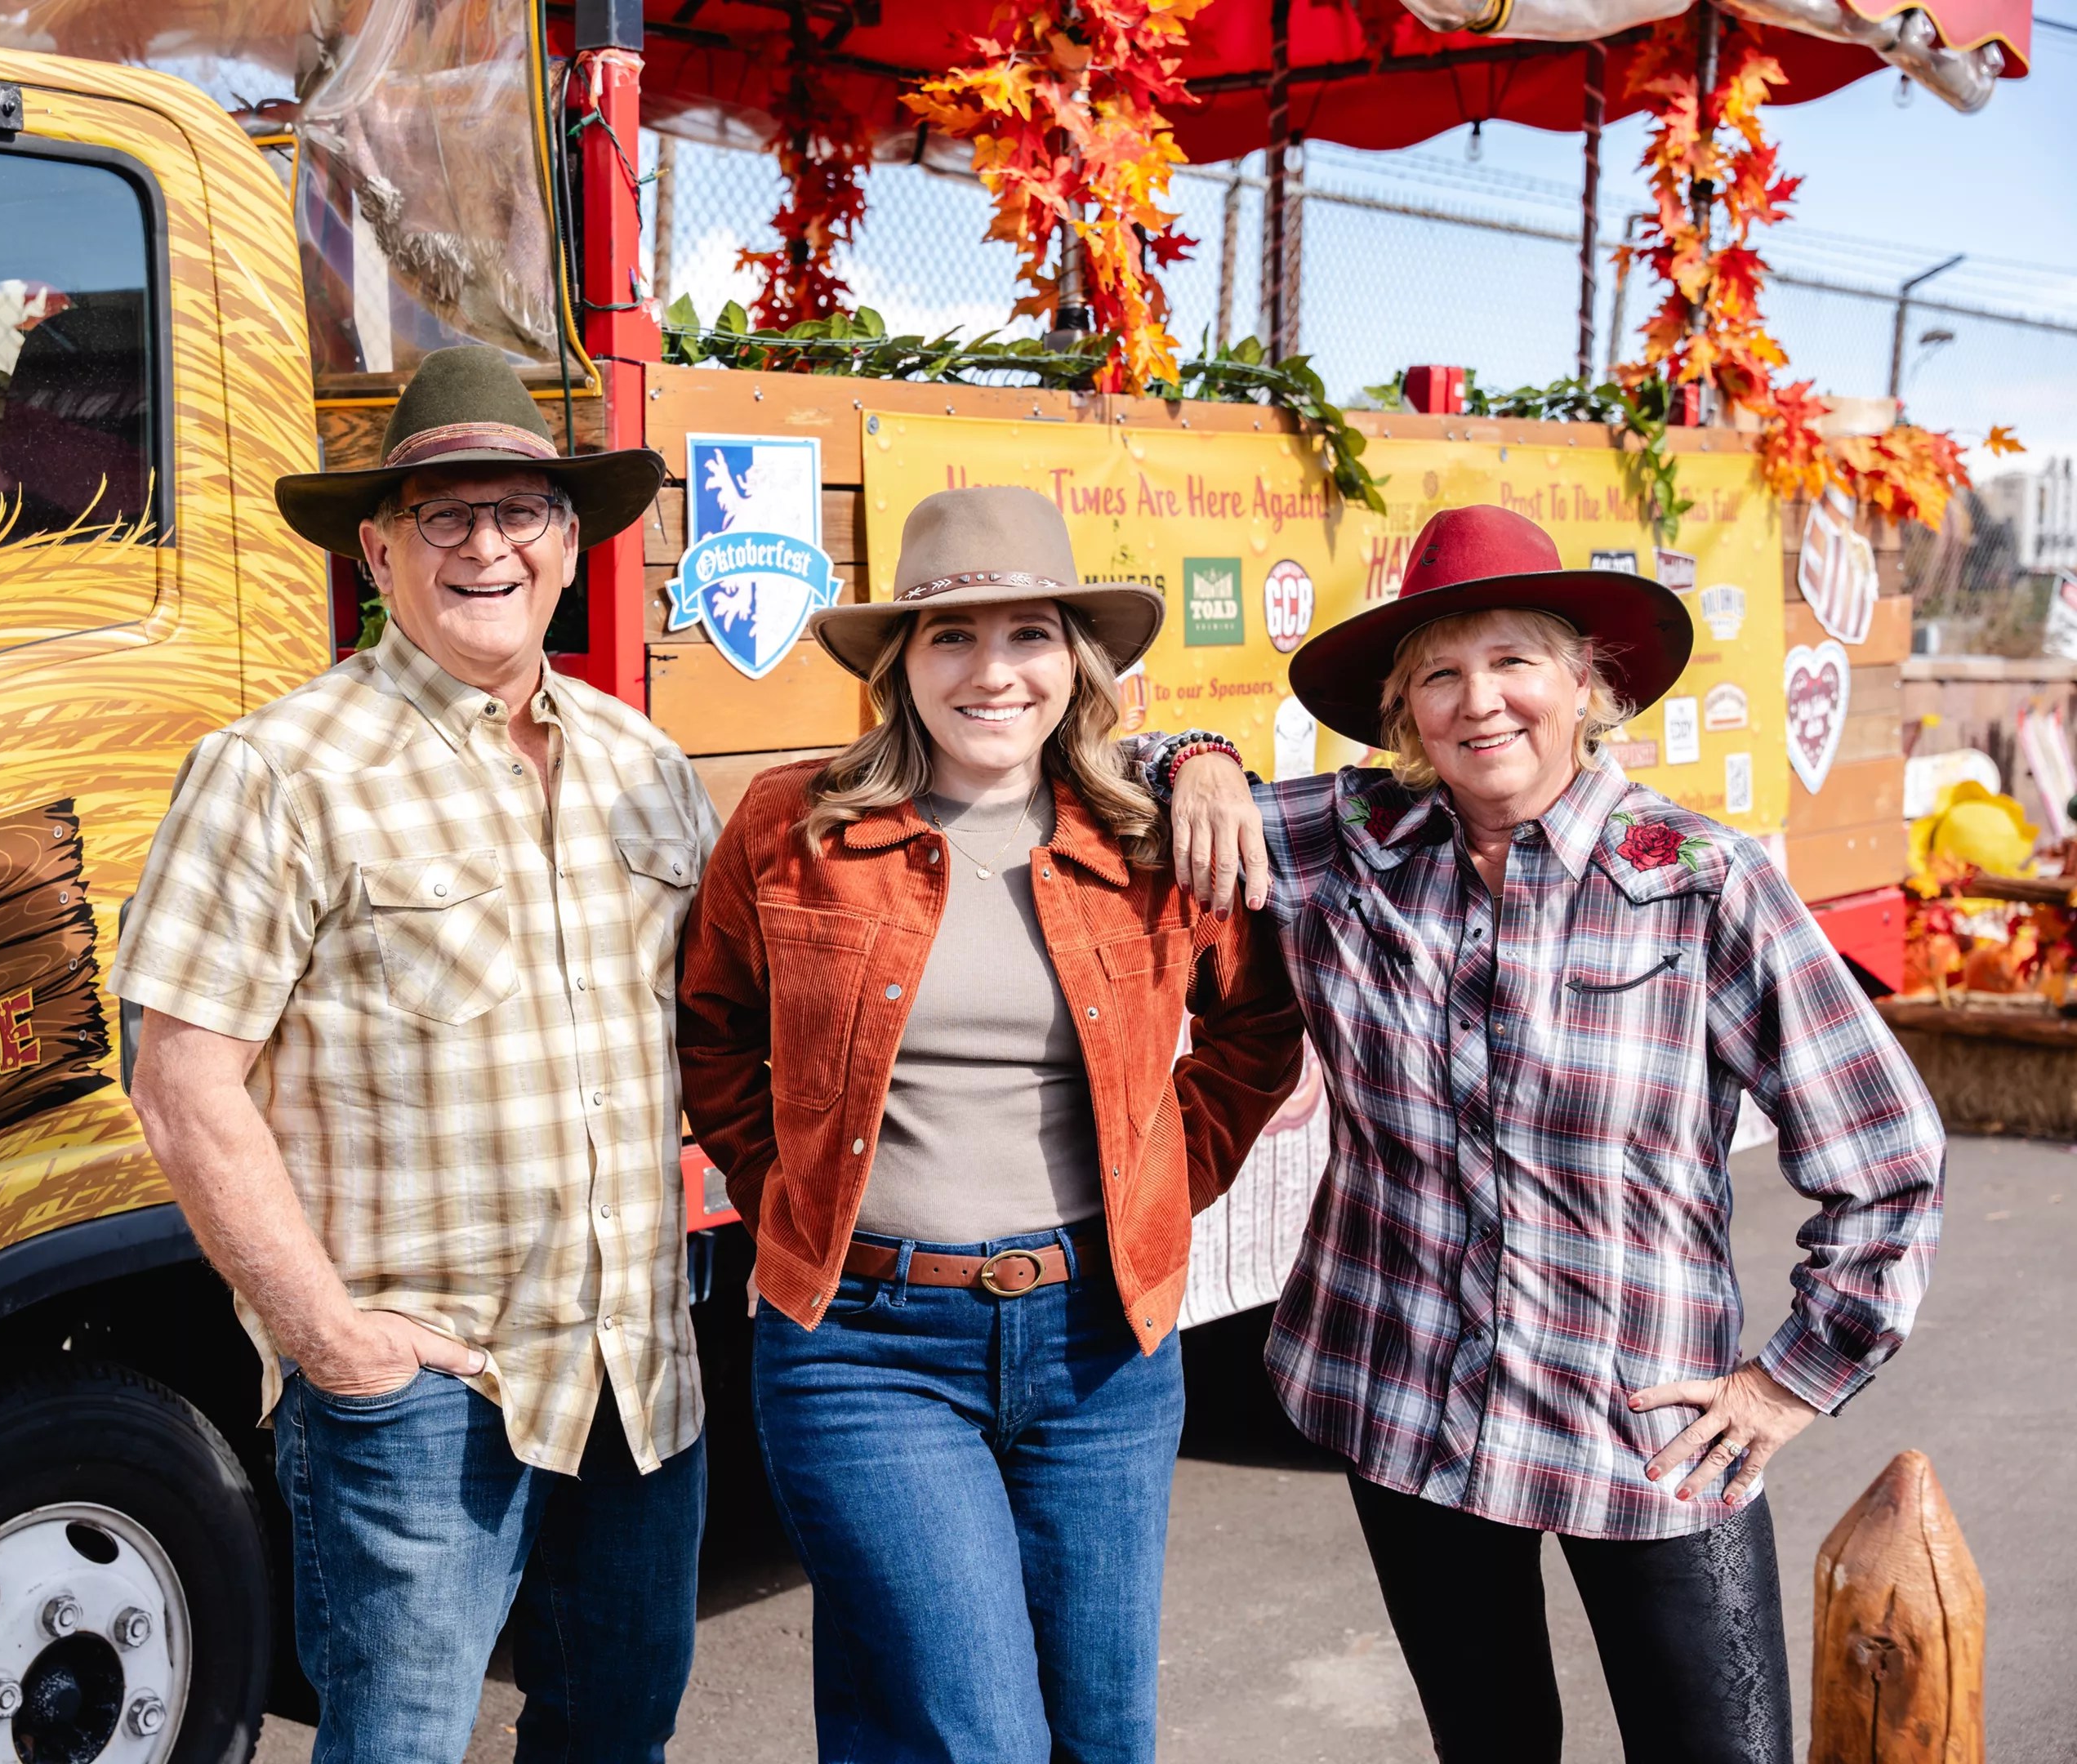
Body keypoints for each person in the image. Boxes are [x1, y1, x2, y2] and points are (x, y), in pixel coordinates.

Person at [1145, 504, 1945, 1764]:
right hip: (1406, 1401)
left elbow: (1887, 1158)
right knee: (1491, 1744)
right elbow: (1104, 780)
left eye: (1515, 661)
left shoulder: (1700, 880)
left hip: (1646, 1424)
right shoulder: (1348, 845)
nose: (1482, 703)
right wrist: (1193, 756)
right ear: (1405, 712)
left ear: (1586, 682)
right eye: (1441, 676)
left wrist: (1790, 1381)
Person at [111, 345, 714, 1762]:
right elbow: (181, 1081)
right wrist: (332, 1342)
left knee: (617, 1734)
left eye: (521, 510)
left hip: (638, 1368)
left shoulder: (645, 764)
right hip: (428, 1392)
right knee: (399, 1748)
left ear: (572, 545)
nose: (487, 545)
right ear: (378, 547)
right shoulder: (277, 769)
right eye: (446, 514)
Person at [675, 486, 1304, 1761]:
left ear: (1077, 663)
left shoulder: (1151, 837)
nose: (992, 672)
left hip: (1103, 1348)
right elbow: (714, 1029)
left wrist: (1160, 1182)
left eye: (1029, 636)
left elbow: (1256, 1031)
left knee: (1097, 1732)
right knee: (979, 1734)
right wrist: (783, 1184)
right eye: (951, 638)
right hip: (865, 1349)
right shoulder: (795, 829)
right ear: (899, 667)